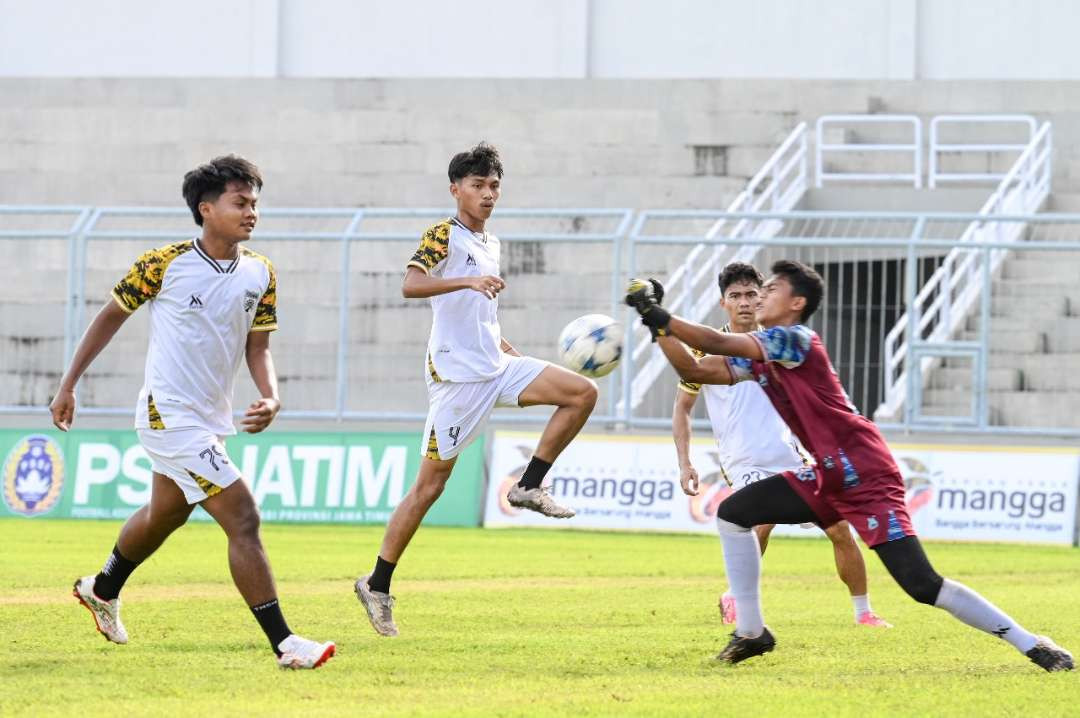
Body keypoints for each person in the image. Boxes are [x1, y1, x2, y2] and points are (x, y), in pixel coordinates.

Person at [626, 260, 1073, 671]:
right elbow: (697, 369)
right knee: (733, 513)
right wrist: (655, 323)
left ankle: (1032, 643)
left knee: (920, 585)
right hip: (825, 473)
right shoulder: (762, 351)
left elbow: (715, 341)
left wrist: (659, 312)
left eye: (772, 289)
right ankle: (752, 632)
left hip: (865, 471)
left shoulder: (795, 339)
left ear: (796, 303)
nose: (760, 296)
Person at [50, 155, 335, 670]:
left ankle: (102, 588)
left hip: (209, 420)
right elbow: (109, 317)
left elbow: (258, 349)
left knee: (167, 513)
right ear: (206, 209)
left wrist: (271, 395)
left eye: (255, 203)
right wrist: (68, 384)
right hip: (167, 416)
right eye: (240, 202)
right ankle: (286, 644)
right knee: (243, 517)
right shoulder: (164, 263)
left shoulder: (260, 272)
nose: (252, 212)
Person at [354, 142, 598, 637]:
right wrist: (466, 283)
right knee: (430, 487)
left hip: (495, 364)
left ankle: (529, 485)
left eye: (493, 186)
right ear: (456, 189)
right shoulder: (443, 235)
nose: (487, 194)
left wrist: (504, 342)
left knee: (581, 392)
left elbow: (480, 308)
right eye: (477, 185)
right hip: (457, 380)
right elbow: (411, 284)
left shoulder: (492, 243)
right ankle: (376, 584)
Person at [672, 262, 889, 628]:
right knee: (764, 519)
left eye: (752, 294)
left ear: (762, 298)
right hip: (743, 459)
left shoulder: (777, 342)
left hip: (789, 452)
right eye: (735, 296)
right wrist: (685, 462)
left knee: (838, 528)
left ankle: (863, 612)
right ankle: (738, 598)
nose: (744, 302)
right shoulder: (705, 351)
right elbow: (683, 408)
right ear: (723, 303)